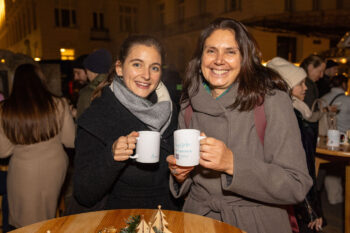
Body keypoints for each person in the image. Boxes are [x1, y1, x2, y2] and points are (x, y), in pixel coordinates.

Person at [166, 18, 312, 233]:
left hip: (255, 223)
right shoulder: (189, 104)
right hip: (198, 220)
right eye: (211, 51)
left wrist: (232, 164)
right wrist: (180, 176)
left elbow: (296, 184)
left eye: (230, 52)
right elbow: (191, 177)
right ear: (200, 58)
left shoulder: (271, 101)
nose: (219, 60)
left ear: (245, 58)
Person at [73, 35, 182, 211]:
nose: (146, 75)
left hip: (169, 219)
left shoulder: (171, 111)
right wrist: (111, 157)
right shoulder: (97, 117)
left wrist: (182, 176)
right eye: (137, 64)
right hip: (122, 221)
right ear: (119, 68)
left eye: (154, 67)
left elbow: (174, 181)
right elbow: (83, 193)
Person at [0, 63, 75, 228]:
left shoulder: (5, 109)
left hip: (23, 168)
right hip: (55, 165)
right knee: (47, 210)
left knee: (24, 218)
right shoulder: (59, 103)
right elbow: (70, 140)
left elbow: (3, 151)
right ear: (41, 79)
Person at [267, 57, 324, 232]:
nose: (305, 88)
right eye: (300, 84)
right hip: (296, 199)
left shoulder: (296, 109)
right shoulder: (292, 115)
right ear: (287, 86)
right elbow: (301, 165)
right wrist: (311, 209)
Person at [76, 48, 112, 119]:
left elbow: (82, 123)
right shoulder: (115, 86)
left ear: (92, 70)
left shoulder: (87, 93)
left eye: (87, 70)